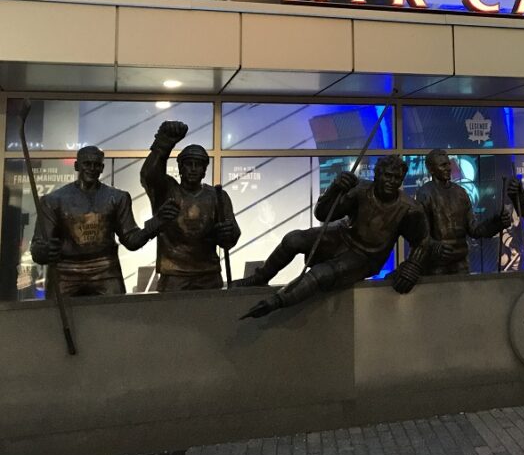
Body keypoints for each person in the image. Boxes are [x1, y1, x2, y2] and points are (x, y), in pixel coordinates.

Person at [238, 155, 440, 319]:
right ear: (378, 174)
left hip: (367, 256)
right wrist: (335, 188)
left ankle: (276, 303)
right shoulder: (361, 190)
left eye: (397, 178)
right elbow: (324, 214)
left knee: (322, 273)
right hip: (342, 235)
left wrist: (412, 266)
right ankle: (260, 277)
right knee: (294, 239)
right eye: (388, 176)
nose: (392, 182)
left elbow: (422, 242)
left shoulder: (409, 209)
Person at [30, 146, 177, 297]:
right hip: (66, 271)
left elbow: (131, 240)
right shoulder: (53, 201)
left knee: (116, 316)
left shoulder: (117, 198)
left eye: (97, 165)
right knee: (53, 318)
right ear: (77, 166)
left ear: (102, 168)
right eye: (87, 164)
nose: (92, 168)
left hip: (105, 270)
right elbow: (39, 245)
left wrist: (157, 223)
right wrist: (44, 251)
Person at [141, 121, 240, 291]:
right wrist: (162, 146)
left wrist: (227, 233)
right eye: (188, 164)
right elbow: (149, 175)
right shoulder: (167, 190)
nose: (193, 169)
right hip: (174, 274)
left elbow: (232, 237)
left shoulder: (217, 196)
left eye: (199, 164)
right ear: (180, 167)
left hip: (208, 274)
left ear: (204, 170)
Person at [416, 149, 509, 275]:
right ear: (431, 170)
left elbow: (474, 230)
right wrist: (435, 246)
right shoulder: (425, 193)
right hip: (437, 264)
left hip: (461, 262)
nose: (449, 168)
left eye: (448, 164)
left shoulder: (460, 193)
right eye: (443, 165)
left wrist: (496, 223)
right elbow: (420, 235)